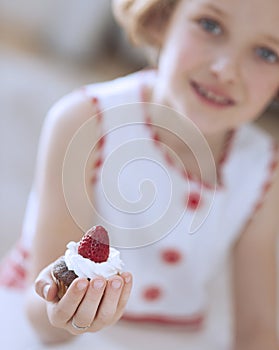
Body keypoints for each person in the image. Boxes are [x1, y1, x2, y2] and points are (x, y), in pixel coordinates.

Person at [1, 0, 279, 348]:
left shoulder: (264, 168)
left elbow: (258, 329)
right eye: (210, 25)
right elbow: (43, 317)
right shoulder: (84, 122)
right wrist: (63, 310)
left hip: (172, 338)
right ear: (162, 16)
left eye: (267, 54)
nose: (226, 69)